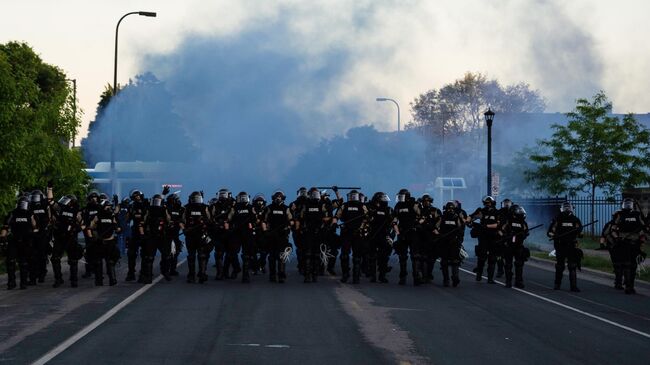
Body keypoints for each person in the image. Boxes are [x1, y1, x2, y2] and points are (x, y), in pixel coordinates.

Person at [609, 198, 646, 294]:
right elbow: (643, 229)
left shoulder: (621, 215)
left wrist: (617, 237)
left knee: (628, 265)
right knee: (631, 265)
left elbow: (613, 229)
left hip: (627, 243)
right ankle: (629, 286)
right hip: (628, 243)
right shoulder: (633, 215)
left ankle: (629, 286)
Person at [0, 196, 37, 289]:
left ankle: (22, 283)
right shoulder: (13, 213)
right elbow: (5, 226)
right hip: (15, 240)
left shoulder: (28, 213)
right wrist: (3, 239)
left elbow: (34, 226)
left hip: (24, 241)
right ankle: (12, 282)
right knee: (11, 262)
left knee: (22, 263)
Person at [547, 202, 583, 292]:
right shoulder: (557, 219)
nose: (567, 210)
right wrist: (554, 235)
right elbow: (549, 232)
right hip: (560, 245)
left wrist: (579, 232)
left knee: (572, 266)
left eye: (568, 208)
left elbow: (580, 233)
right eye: (565, 208)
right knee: (560, 266)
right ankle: (557, 284)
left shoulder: (575, 220)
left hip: (571, 245)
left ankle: (573, 286)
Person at [336, 189, 369, 284]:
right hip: (346, 233)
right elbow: (336, 217)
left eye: (354, 196)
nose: (353, 197)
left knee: (357, 256)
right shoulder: (344, 206)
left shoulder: (362, 206)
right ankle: (345, 275)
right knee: (344, 255)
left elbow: (367, 218)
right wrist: (334, 223)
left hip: (358, 233)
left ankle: (356, 276)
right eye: (352, 195)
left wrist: (363, 227)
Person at [298, 187, 330, 283]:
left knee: (316, 254)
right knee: (308, 254)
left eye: (316, 194)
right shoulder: (306, 205)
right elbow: (301, 216)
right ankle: (308, 275)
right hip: (309, 232)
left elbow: (327, 217)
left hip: (318, 232)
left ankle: (314, 274)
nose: (314, 195)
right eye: (313, 194)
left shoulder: (321, 204)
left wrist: (323, 220)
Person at [51, 195, 83, 288]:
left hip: (71, 238)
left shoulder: (76, 211)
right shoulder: (59, 209)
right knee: (55, 259)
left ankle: (74, 280)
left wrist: (77, 226)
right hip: (59, 238)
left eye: (67, 200)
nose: (65, 201)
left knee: (73, 260)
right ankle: (58, 279)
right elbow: (51, 203)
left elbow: (81, 223)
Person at [87, 198, 121, 286]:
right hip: (100, 242)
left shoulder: (112, 216)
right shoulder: (97, 216)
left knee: (110, 262)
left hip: (110, 242)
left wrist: (117, 227)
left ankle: (112, 279)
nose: (108, 208)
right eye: (107, 206)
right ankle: (98, 281)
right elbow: (90, 227)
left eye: (109, 206)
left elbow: (118, 228)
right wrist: (92, 236)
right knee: (98, 262)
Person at [392, 188, 422, 285]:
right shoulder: (398, 206)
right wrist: (398, 233)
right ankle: (402, 276)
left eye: (402, 196)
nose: (400, 198)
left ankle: (416, 276)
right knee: (402, 256)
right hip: (402, 233)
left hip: (412, 233)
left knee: (415, 256)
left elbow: (420, 216)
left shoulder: (414, 204)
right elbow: (394, 221)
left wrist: (418, 206)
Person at [262, 190, 293, 283]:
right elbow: (264, 221)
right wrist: (265, 231)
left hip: (282, 235)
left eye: (280, 196)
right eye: (276, 196)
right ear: (273, 198)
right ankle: (272, 275)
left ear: (283, 198)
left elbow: (292, 220)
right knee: (271, 256)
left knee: (282, 255)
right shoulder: (269, 208)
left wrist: (288, 228)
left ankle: (281, 275)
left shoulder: (286, 208)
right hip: (271, 234)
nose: (278, 198)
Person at [227, 192, 257, 283]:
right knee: (232, 253)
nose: (243, 200)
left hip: (247, 233)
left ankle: (245, 275)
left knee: (246, 255)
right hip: (236, 233)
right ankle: (236, 268)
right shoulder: (234, 208)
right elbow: (229, 219)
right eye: (241, 198)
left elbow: (255, 219)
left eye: (245, 198)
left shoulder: (251, 208)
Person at [469, 196, 500, 284]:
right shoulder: (481, 211)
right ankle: (479, 275)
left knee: (492, 258)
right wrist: (469, 222)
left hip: (493, 237)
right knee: (481, 256)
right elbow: (471, 217)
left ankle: (490, 278)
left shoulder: (497, 213)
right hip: (483, 237)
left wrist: (486, 226)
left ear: (493, 203)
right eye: (485, 203)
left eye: (488, 203)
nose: (487, 205)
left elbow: (498, 225)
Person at [183, 191, 211, 283]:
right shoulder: (186, 208)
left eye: (198, 198)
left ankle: (202, 273)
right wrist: (184, 229)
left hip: (201, 235)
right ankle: (191, 275)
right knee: (191, 256)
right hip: (190, 235)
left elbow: (209, 220)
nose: (197, 201)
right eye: (195, 199)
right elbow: (181, 221)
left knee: (202, 255)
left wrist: (206, 226)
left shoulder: (205, 207)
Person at [143, 194, 171, 283]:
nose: (156, 203)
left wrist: (166, 211)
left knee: (166, 256)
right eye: (155, 201)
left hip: (162, 236)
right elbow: (144, 220)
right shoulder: (149, 209)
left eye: (158, 201)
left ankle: (165, 271)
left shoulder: (164, 209)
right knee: (149, 257)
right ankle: (148, 276)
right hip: (151, 236)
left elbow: (169, 220)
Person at [499, 205, 529, 288]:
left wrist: (524, 234)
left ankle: (518, 281)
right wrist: (505, 236)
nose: (520, 213)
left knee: (519, 264)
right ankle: (508, 282)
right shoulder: (508, 221)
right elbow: (500, 230)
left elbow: (526, 232)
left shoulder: (523, 222)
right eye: (518, 211)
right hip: (509, 245)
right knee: (508, 264)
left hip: (519, 245)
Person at [366, 192, 394, 283]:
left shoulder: (389, 210)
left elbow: (393, 223)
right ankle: (374, 275)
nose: (385, 201)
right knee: (373, 256)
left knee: (383, 256)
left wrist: (392, 235)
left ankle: (381, 275)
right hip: (374, 235)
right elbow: (367, 221)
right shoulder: (371, 209)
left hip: (382, 235)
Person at [30, 188, 53, 284]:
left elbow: (50, 218)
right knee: (33, 255)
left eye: (37, 197)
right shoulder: (30, 206)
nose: (35, 199)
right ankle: (33, 276)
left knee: (42, 254)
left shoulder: (45, 205)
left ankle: (41, 275)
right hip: (33, 233)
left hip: (43, 233)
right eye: (34, 197)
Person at [438, 201, 465, 287]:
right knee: (444, 262)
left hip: (454, 242)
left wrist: (459, 240)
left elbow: (460, 229)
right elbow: (436, 227)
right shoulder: (442, 217)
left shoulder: (456, 217)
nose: (450, 210)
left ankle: (455, 278)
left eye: (451, 208)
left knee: (455, 261)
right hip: (444, 242)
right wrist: (439, 235)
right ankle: (446, 279)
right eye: (448, 208)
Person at [209, 189, 234, 280]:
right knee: (219, 253)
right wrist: (216, 224)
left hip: (229, 232)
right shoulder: (214, 206)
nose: (222, 196)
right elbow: (210, 217)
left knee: (229, 253)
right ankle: (219, 273)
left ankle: (226, 272)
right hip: (218, 232)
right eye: (221, 195)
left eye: (224, 195)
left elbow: (234, 217)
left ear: (228, 195)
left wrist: (228, 224)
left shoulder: (232, 205)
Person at [126, 190, 148, 282]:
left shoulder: (147, 204)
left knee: (145, 254)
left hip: (145, 231)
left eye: (138, 196)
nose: (137, 197)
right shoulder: (131, 206)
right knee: (131, 254)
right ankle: (131, 273)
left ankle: (143, 274)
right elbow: (127, 219)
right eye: (135, 197)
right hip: (135, 231)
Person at [419, 194, 441, 284]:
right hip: (421, 236)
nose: (426, 203)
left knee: (431, 258)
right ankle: (424, 275)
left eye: (428, 201)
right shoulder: (420, 210)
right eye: (424, 201)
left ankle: (429, 273)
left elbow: (440, 221)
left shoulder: (435, 210)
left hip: (433, 237)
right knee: (422, 257)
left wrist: (435, 229)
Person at [81, 191, 101, 279]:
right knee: (88, 252)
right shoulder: (86, 209)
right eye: (92, 197)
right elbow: (84, 221)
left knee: (98, 252)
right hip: (88, 231)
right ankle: (88, 271)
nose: (94, 199)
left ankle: (98, 271)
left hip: (99, 232)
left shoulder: (101, 208)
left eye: (95, 197)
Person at [290, 187, 309, 275]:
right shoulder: (293, 203)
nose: (303, 194)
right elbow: (290, 216)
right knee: (300, 248)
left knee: (307, 248)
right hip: (297, 229)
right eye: (301, 193)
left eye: (304, 192)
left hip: (307, 229)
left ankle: (306, 265)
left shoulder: (310, 202)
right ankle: (301, 265)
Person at [166, 193, 185, 276]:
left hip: (176, 233)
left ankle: (172, 269)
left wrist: (183, 227)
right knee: (166, 252)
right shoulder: (166, 208)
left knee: (176, 252)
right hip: (167, 233)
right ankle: (166, 269)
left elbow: (183, 220)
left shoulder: (180, 209)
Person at [496, 199, 513, 278]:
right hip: (500, 236)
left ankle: (509, 270)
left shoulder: (514, 212)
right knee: (499, 255)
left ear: (511, 204)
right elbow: (496, 224)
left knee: (509, 256)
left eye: (508, 203)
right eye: (505, 203)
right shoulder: (499, 212)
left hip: (511, 237)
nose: (506, 204)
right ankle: (500, 270)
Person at [252, 194, 268, 275]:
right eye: (258, 202)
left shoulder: (266, 210)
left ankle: (262, 265)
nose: (259, 203)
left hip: (262, 233)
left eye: (261, 202)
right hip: (253, 232)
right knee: (252, 251)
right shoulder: (252, 210)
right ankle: (254, 267)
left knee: (264, 251)